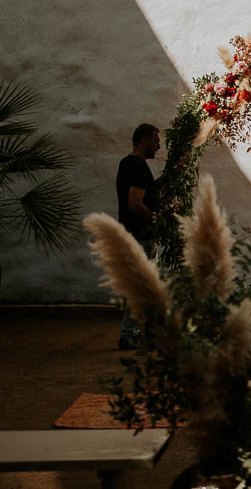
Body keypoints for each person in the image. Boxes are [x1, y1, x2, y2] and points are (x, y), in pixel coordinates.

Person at [115, 123, 161, 348]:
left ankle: (134, 332)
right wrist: (156, 219)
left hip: (130, 233)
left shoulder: (127, 163)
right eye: (156, 140)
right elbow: (134, 203)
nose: (159, 146)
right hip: (140, 236)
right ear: (144, 140)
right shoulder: (137, 166)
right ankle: (129, 334)